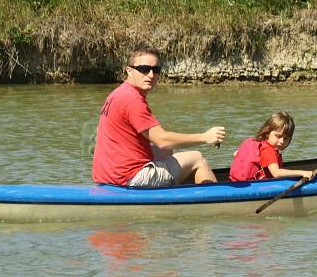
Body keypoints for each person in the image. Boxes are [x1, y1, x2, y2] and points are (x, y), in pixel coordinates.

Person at [92, 46, 226, 187]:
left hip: (106, 175)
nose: (150, 75)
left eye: (155, 70)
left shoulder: (116, 94)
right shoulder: (133, 100)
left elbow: (99, 131)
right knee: (197, 158)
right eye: (144, 69)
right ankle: (214, 205)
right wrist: (204, 137)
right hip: (131, 177)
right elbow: (162, 139)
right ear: (129, 71)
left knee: (166, 152)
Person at [229, 112, 315, 181]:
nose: (281, 141)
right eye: (278, 136)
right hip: (254, 187)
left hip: (236, 182)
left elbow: (235, 154)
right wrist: (303, 173)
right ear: (267, 132)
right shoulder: (268, 150)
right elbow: (276, 173)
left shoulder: (256, 142)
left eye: (286, 138)